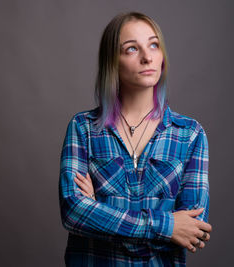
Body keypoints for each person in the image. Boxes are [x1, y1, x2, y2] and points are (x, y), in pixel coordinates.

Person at [58, 12, 212, 266]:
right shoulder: (83, 128)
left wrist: (100, 211)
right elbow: (74, 213)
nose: (147, 57)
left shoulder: (190, 134)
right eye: (131, 49)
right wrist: (167, 226)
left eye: (154, 45)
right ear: (112, 62)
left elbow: (193, 230)